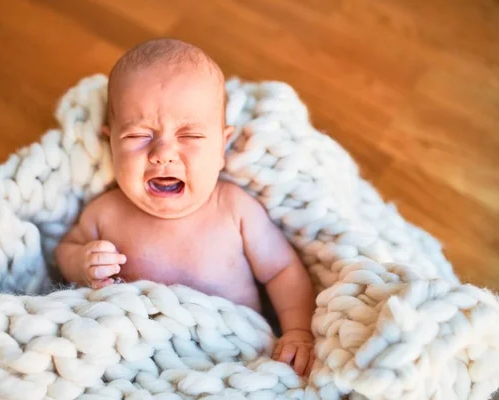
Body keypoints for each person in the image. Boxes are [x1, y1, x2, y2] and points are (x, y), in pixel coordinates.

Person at [55, 38, 316, 376]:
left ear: (222, 145)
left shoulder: (233, 208)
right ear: (111, 141)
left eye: (190, 136)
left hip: (236, 359)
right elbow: (65, 251)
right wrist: (82, 263)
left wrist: (298, 331)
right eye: (138, 136)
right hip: (135, 364)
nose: (163, 153)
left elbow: (282, 270)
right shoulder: (105, 213)